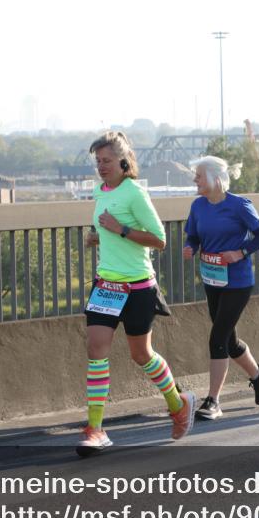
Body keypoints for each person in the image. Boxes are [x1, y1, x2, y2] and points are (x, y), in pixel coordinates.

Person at [78, 131, 195, 455]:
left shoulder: (135, 193)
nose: (101, 167)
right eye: (98, 161)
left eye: (107, 161)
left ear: (123, 161)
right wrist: (99, 237)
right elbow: (112, 229)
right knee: (96, 349)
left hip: (138, 287)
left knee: (141, 355)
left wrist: (120, 229)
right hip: (106, 285)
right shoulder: (98, 190)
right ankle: (96, 428)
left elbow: (159, 239)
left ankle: (177, 403)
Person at [182, 156, 259, 420]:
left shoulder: (240, 205)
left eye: (199, 176)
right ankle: (258, 374)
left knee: (217, 338)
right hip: (212, 279)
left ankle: (213, 401)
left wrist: (240, 252)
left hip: (238, 282)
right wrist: (191, 248)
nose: (195, 180)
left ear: (216, 179)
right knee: (229, 341)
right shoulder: (198, 206)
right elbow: (193, 235)